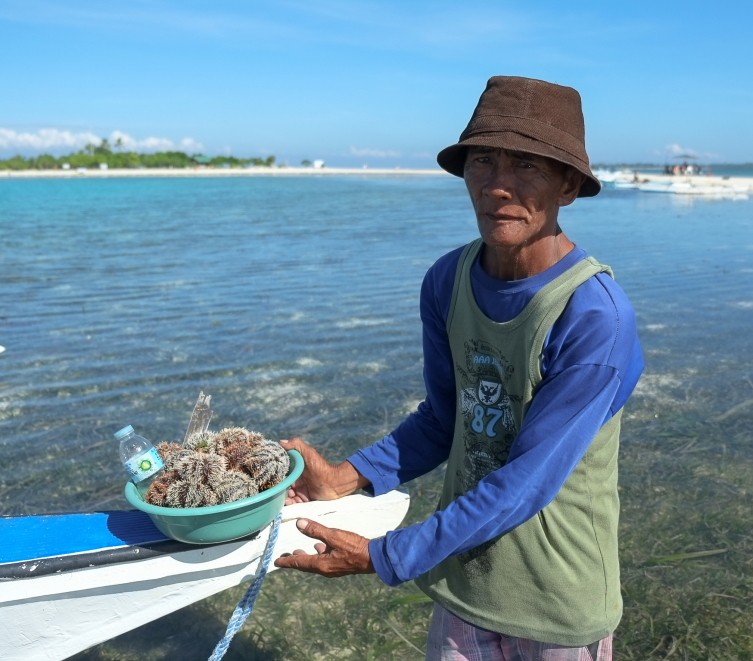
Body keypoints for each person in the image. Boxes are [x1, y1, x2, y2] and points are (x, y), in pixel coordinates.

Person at [275, 76, 644, 661]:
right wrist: (343, 478)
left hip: (557, 605)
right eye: (483, 160)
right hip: (463, 584)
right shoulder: (448, 281)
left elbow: (527, 483)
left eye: (528, 165)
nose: (499, 185)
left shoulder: (594, 317)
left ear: (568, 185)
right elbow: (447, 418)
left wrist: (384, 555)